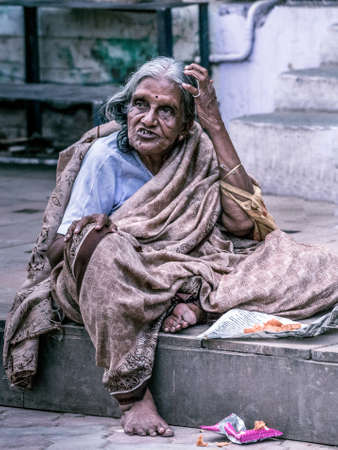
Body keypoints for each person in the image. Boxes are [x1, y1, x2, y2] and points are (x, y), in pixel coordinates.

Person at [3, 57, 338, 438]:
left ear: (184, 128)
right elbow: (56, 251)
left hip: (191, 266)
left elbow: (244, 223)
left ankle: (191, 302)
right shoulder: (105, 158)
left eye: (166, 111)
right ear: (126, 107)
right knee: (104, 250)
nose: (147, 119)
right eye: (140, 104)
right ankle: (133, 398)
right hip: (125, 279)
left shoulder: (197, 147)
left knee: (321, 267)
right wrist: (99, 233)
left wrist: (215, 125)